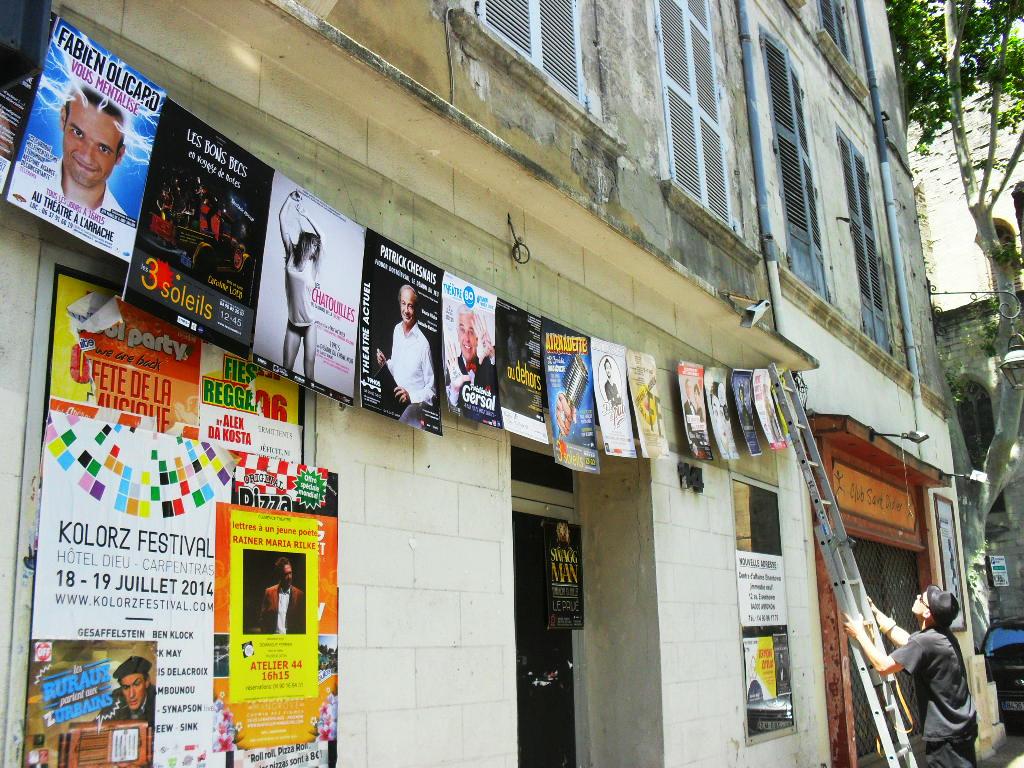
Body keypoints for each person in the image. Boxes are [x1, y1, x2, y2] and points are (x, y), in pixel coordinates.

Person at [843, 585, 977, 767]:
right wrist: (875, 611)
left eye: (921, 599)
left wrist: (859, 634)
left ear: (927, 613)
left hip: (948, 738)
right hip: (961, 728)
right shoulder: (940, 636)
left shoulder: (926, 642)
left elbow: (883, 666)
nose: (917, 596)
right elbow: (907, 640)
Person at [51, 86, 127, 213]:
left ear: (119, 155)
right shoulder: (22, 180)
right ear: (63, 119)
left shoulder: (120, 222)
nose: (87, 157)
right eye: (78, 133)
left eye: (103, 148)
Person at [376, 284, 436, 428]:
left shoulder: (423, 345)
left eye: (410, 306)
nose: (406, 310)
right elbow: (398, 368)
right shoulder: (397, 330)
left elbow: (432, 391)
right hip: (392, 413)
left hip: (412, 423)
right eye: (403, 304)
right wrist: (385, 364)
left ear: (416, 308)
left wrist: (410, 396)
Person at [279, 190, 321, 378]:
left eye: (317, 247)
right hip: (293, 323)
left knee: (309, 374)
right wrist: (289, 198)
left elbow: (323, 237)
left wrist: (307, 215)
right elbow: (282, 219)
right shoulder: (291, 254)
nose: (316, 249)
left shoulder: (313, 265)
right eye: (314, 245)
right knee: (285, 368)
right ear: (306, 244)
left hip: (310, 324)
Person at [445, 304, 497, 409]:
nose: (467, 338)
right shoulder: (451, 369)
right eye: (462, 330)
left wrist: (493, 357)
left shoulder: (490, 363)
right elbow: (449, 408)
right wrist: (455, 389)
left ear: (478, 338)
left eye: (471, 331)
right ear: (458, 334)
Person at [259, 556, 305, 635]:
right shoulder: (269, 592)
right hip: (273, 639)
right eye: (286, 574)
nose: (289, 577)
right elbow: (263, 618)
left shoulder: (299, 595)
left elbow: (302, 622)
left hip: (291, 640)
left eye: (290, 573)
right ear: (280, 575)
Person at [111, 656, 155, 727]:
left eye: (136, 684)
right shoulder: (115, 697)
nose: (131, 695)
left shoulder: (158, 699)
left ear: (147, 682)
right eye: (126, 687)